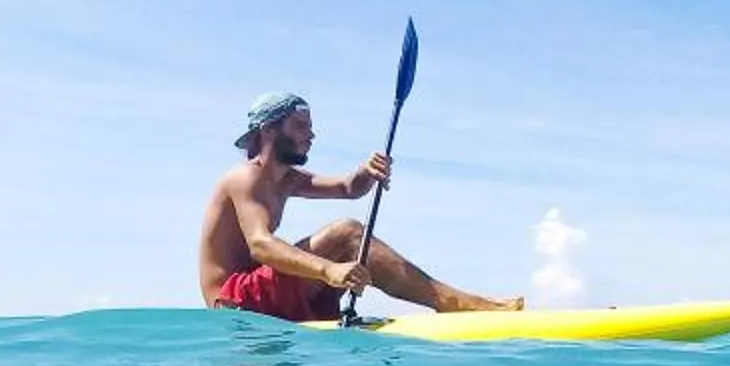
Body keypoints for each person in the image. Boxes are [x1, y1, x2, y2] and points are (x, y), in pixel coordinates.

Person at [198, 91, 522, 322]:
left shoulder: (286, 180)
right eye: (300, 126)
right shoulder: (245, 178)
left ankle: (451, 301)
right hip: (234, 300)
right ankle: (451, 302)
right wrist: (329, 269)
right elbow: (261, 245)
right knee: (347, 234)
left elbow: (347, 188)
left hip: (259, 295)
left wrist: (368, 171)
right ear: (268, 130)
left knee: (349, 238)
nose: (311, 135)